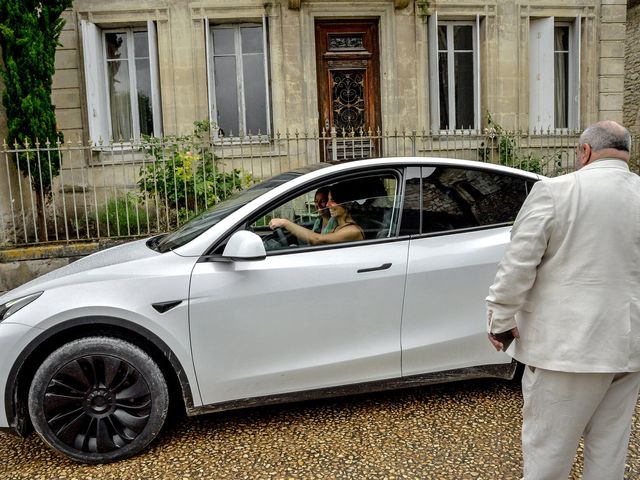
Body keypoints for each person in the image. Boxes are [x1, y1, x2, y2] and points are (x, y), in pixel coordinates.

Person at [486, 120, 640, 480]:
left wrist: (501, 321)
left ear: (584, 152)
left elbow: (518, 265)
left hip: (566, 351)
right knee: (608, 452)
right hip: (628, 349)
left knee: (548, 455)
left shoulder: (555, 191)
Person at [269, 182, 364, 245]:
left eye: (333, 200)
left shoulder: (352, 231)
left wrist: (285, 223)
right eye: (328, 200)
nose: (327, 204)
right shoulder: (339, 227)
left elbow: (317, 239)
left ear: (346, 203)